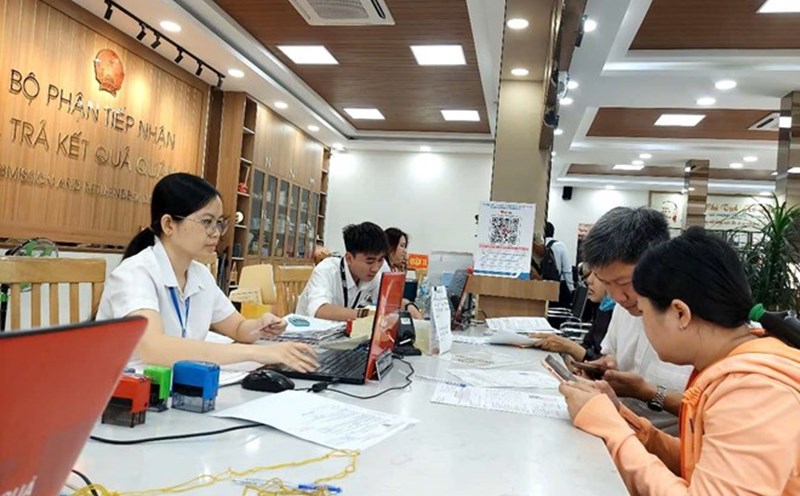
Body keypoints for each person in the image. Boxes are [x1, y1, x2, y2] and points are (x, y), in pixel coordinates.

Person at [559, 227, 800, 496]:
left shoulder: (755, 391)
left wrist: (610, 429)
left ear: (680, 313)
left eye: (645, 311)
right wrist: (626, 422)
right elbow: (697, 464)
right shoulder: (733, 368)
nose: (643, 322)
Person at [96, 173, 318, 372]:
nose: (216, 233)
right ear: (169, 225)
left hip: (179, 389)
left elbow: (238, 327)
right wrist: (259, 353)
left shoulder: (200, 275)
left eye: (219, 223)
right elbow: (154, 349)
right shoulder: (135, 273)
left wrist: (259, 326)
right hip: (126, 397)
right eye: (207, 222)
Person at [578, 207, 692, 431]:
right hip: (617, 426)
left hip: (666, 448)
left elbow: (708, 414)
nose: (616, 296)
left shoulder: (693, 319)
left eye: (623, 283)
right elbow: (613, 355)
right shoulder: (623, 307)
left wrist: (648, 392)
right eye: (606, 283)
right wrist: (607, 367)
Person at [296, 222, 423, 321]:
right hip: (307, 338)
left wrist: (408, 306)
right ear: (349, 258)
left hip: (337, 337)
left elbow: (388, 299)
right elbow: (320, 310)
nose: (375, 268)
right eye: (369, 261)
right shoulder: (326, 270)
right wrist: (365, 315)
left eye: (380, 260)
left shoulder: (371, 276)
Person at [531, 264, 615, 362]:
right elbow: (587, 345)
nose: (589, 280)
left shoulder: (622, 313)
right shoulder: (603, 308)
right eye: (591, 273)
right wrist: (571, 354)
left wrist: (570, 348)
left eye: (596, 274)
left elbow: (605, 367)